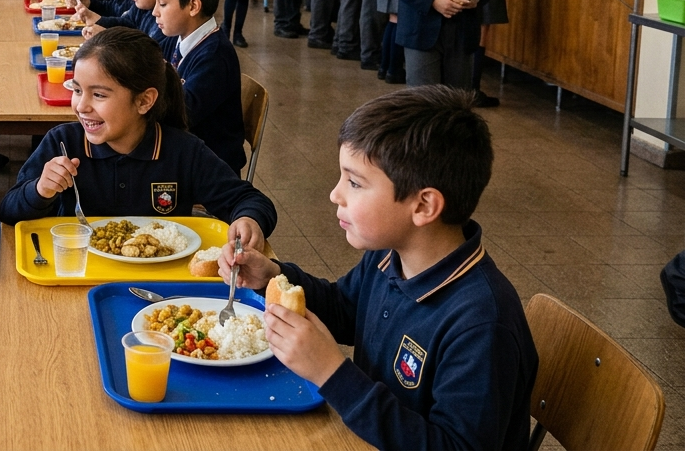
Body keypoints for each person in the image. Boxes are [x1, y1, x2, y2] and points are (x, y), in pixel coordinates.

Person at [218, 86, 536, 451]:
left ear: (423, 206)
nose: (335, 194)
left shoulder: (481, 324)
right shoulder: (390, 255)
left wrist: (332, 373)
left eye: (354, 182)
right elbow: (345, 308)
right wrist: (272, 275)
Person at [0, 28, 276, 248]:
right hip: (78, 270)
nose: (81, 106)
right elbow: (9, 212)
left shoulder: (182, 151)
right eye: (77, 89)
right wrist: (40, 190)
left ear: (144, 101)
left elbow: (249, 199)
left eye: (98, 95)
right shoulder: (63, 143)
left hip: (159, 285)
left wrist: (248, 219)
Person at [151, 0, 246, 173]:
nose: (155, 11)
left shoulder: (214, 55)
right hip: (185, 149)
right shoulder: (177, 36)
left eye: (163, 3)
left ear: (193, 6)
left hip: (208, 165)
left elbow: (183, 114)